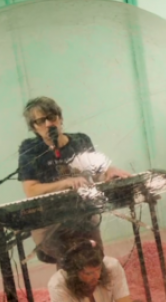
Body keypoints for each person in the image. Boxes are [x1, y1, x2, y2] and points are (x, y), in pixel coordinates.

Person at [19, 96, 131, 264]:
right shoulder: (30, 150)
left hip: (84, 215)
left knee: (94, 261)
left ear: (60, 117)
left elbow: (98, 171)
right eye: (41, 121)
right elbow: (31, 190)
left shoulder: (81, 141)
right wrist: (64, 183)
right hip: (50, 222)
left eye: (52, 117)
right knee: (73, 264)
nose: (49, 124)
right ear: (34, 127)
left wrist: (109, 171)